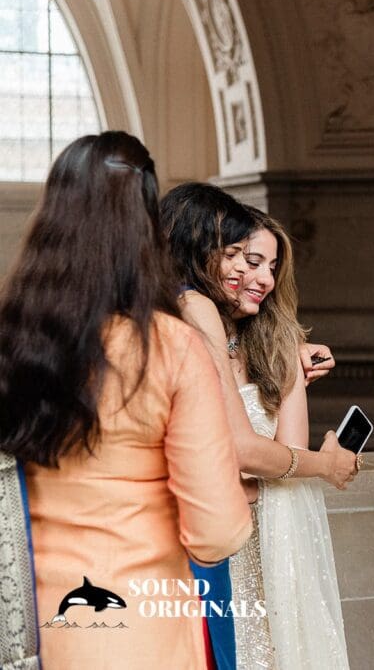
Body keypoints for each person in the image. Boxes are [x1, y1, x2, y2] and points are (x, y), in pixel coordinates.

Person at [0, 131, 253, 669]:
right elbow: (216, 532)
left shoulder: (13, 341)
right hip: (145, 631)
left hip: (31, 632)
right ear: (145, 229)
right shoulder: (172, 347)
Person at [160, 184, 356, 669]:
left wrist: (289, 359)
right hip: (212, 539)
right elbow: (243, 452)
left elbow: (280, 451)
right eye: (245, 259)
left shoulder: (264, 342)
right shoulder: (190, 313)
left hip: (269, 541)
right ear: (204, 252)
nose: (262, 277)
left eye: (271, 266)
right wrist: (325, 465)